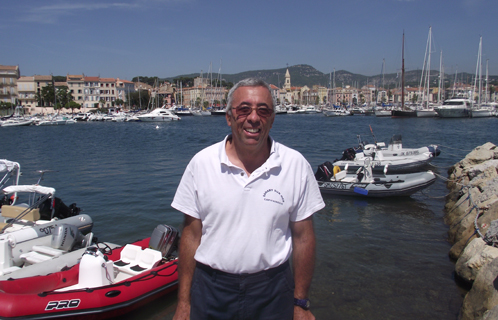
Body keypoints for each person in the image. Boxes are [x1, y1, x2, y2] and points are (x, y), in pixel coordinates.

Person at [171, 78, 325, 320]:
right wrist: (183, 303)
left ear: (272, 119)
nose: (254, 118)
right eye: (244, 109)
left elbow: (304, 237)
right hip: (211, 290)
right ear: (229, 117)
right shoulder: (201, 164)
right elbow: (191, 235)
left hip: (273, 290)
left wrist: (300, 303)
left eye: (263, 110)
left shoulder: (295, 166)